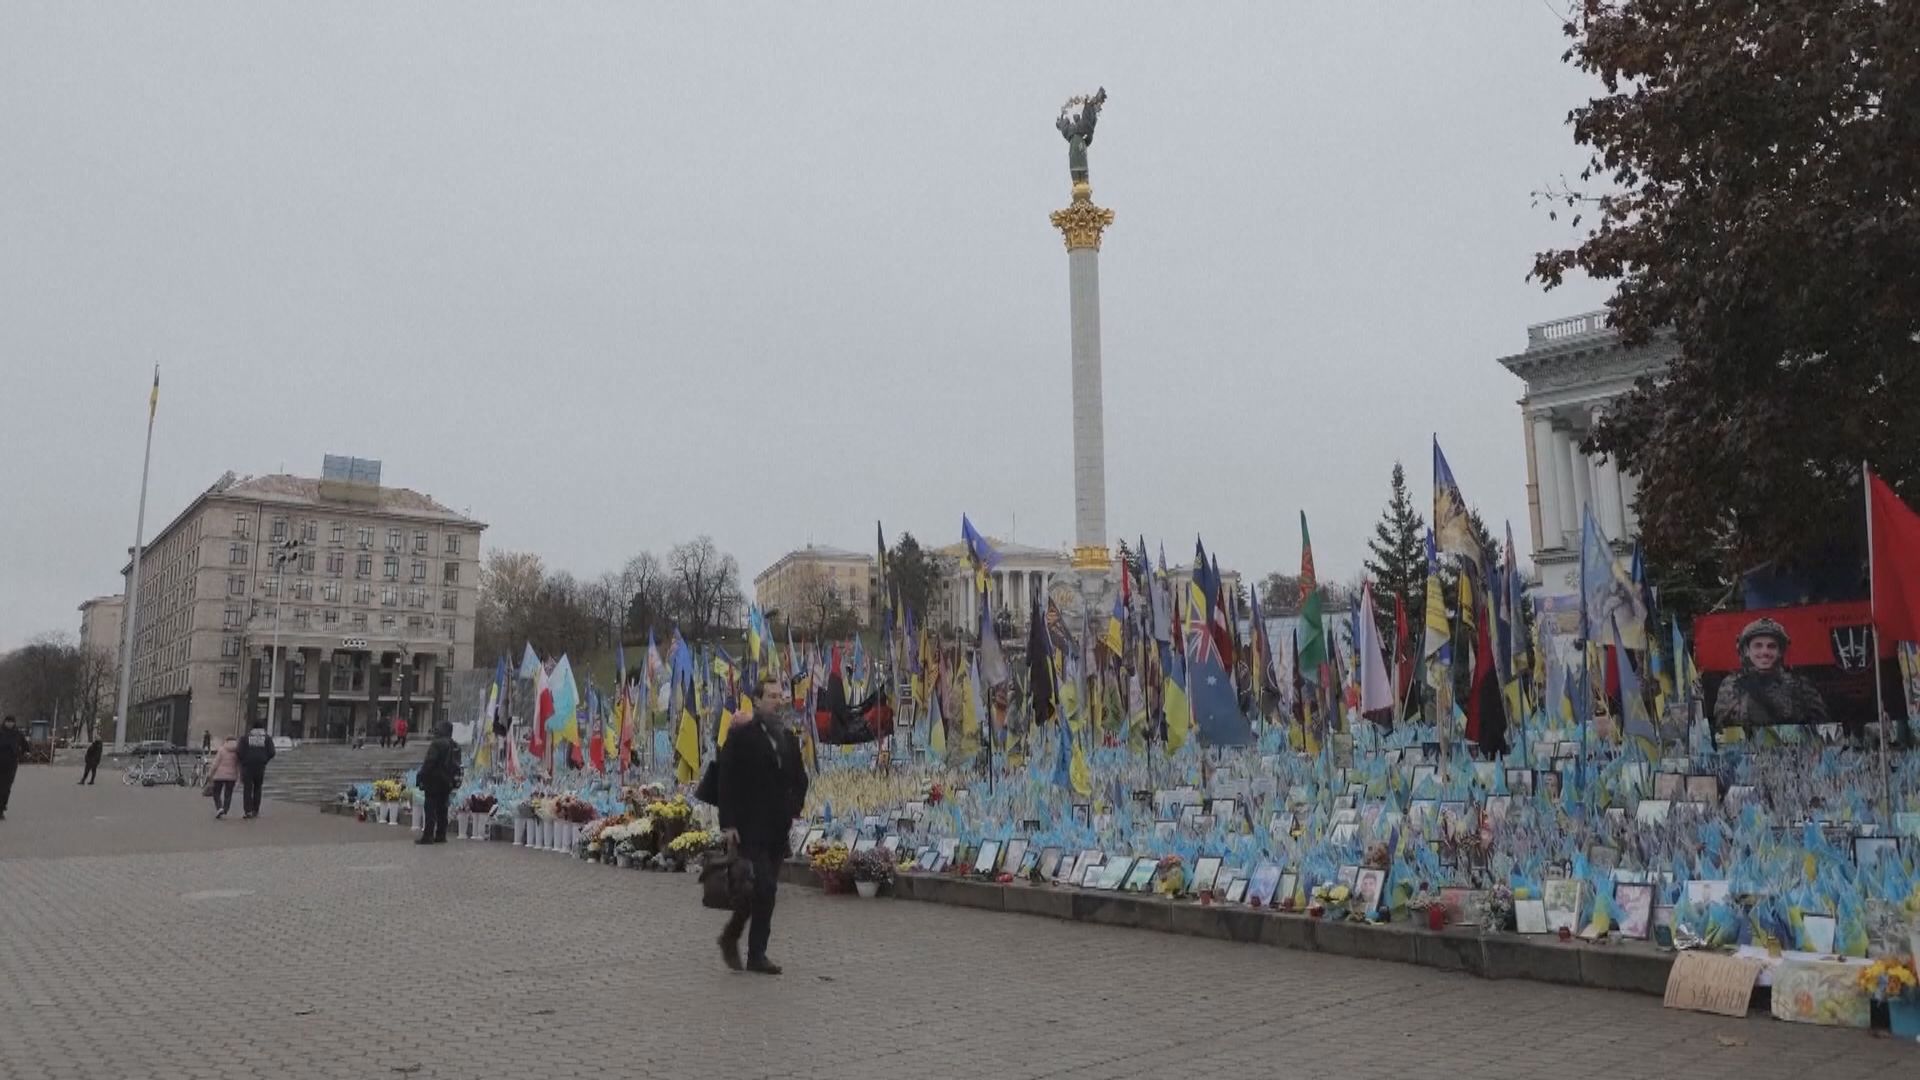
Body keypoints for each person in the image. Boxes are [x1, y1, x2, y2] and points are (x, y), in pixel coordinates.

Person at [714, 676, 808, 975]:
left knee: (763, 890)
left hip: (777, 827)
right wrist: (728, 823)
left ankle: (748, 947)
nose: (777, 702)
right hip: (749, 826)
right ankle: (750, 947)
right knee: (763, 886)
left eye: (780, 696)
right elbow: (726, 779)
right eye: (771, 696)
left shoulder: (787, 737)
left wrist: (794, 806)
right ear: (756, 700)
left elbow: (800, 777)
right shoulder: (742, 736)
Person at [1713, 617, 1829, 742]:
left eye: (1771, 646)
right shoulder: (1732, 685)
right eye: (1758, 646)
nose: (1765, 652)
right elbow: (1723, 734)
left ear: (1780, 652)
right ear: (1747, 651)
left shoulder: (1800, 685)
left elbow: (1822, 733)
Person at [415, 720, 458, 845]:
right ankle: (441, 834)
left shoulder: (437, 744)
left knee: (430, 809)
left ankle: (428, 836)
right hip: (447, 781)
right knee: (442, 809)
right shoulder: (454, 744)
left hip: (433, 781)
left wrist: (421, 775)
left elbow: (430, 762)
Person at [236, 720, 276, 819]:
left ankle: (248, 810)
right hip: (260, 766)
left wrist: (244, 760)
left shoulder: (245, 738)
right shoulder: (267, 738)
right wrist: (265, 759)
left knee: (247, 788)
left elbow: (239, 751)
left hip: (248, 766)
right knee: (258, 787)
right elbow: (272, 752)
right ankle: (255, 810)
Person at [0, 715, 28, 821]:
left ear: (14, 723)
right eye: (8, 721)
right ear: (4, 722)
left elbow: (26, 746)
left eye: (11, 722)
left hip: (11, 765)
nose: (9, 723)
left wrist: (22, 754)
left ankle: (1, 808)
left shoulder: (18, 734)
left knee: (5, 788)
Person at [207, 735, 241, 818]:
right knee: (228, 794)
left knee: (216, 793)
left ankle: (219, 807)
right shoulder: (237, 751)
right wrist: (239, 777)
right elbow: (239, 765)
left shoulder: (222, 749)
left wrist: (210, 773)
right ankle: (225, 809)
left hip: (219, 775)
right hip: (232, 776)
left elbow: (215, 763)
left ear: (226, 741)